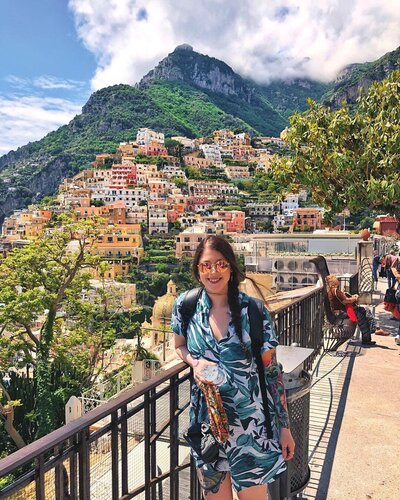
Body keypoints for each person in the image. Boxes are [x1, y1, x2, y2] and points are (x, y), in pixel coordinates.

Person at [171, 235, 295, 499]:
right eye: (206, 265)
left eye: (221, 264)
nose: (213, 272)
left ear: (231, 267)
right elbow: (179, 345)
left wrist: (284, 427)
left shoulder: (254, 311)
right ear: (197, 270)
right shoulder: (186, 306)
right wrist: (194, 362)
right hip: (208, 425)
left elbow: (272, 372)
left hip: (251, 429)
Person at [326, 274, 387, 346]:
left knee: (364, 312)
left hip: (340, 312)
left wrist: (351, 296)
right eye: (336, 279)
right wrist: (355, 298)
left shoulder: (331, 290)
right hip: (341, 313)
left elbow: (344, 300)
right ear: (334, 281)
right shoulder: (335, 290)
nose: (338, 281)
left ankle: (372, 332)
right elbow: (345, 301)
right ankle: (373, 331)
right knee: (363, 313)